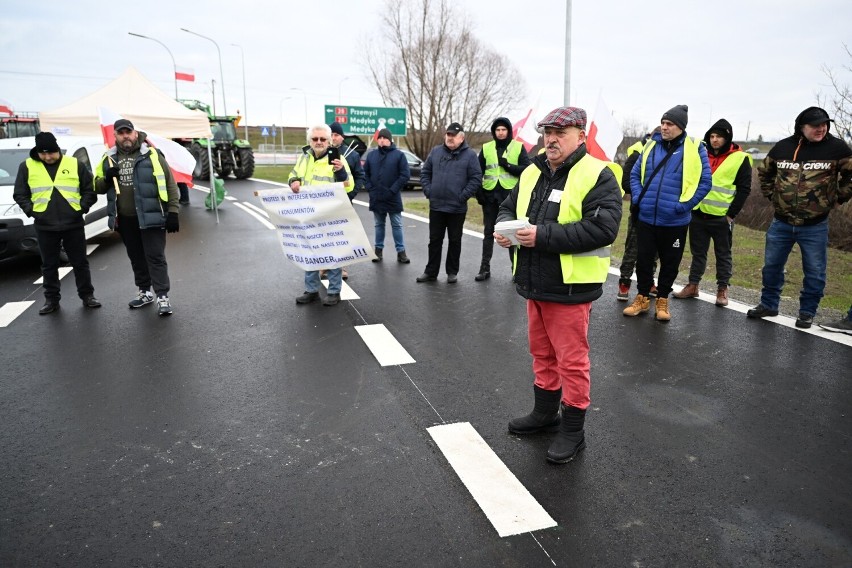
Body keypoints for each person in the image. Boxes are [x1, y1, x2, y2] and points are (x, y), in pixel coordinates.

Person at [495, 106, 622, 464]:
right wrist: (507, 231)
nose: (551, 138)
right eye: (547, 131)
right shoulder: (533, 170)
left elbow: (602, 229)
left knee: (572, 361)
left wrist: (540, 236)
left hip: (570, 288)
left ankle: (573, 429)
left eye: (560, 133)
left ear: (581, 136)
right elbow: (507, 207)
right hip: (533, 282)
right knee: (542, 353)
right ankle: (545, 413)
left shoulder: (599, 174)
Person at [748, 106, 852, 328]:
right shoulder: (783, 147)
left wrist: (837, 198)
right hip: (781, 222)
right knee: (771, 267)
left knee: (814, 271)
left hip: (815, 225)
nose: (821, 129)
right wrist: (772, 196)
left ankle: (807, 312)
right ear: (801, 127)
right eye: (816, 125)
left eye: (824, 124)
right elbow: (765, 172)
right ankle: (769, 304)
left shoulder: (836, 148)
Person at [623, 105, 712, 322]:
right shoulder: (651, 145)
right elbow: (635, 174)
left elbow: (705, 182)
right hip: (646, 217)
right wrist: (639, 199)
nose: (664, 127)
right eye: (662, 123)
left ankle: (662, 299)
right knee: (643, 261)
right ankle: (642, 298)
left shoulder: (695, 148)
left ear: (680, 127)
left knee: (670, 263)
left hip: (675, 220)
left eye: (669, 124)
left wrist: (684, 206)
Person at [94, 119, 180, 316]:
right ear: (115, 136)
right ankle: (144, 292)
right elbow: (96, 186)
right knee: (136, 258)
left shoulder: (151, 154)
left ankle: (162, 296)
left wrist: (173, 211)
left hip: (152, 216)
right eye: (121, 133)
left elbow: (170, 183)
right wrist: (107, 177)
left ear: (135, 133)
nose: (125, 136)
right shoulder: (108, 158)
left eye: (128, 132)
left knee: (155, 257)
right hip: (125, 219)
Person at [13, 132, 100, 314]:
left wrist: (81, 209)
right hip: (45, 225)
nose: (47, 157)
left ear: (57, 149)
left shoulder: (74, 163)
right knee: (49, 265)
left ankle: (87, 296)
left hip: (73, 223)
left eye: (51, 153)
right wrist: (33, 212)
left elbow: (89, 190)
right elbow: (20, 194)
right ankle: (51, 300)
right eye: (43, 154)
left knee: (80, 262)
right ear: (37, 152)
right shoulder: (27, 166)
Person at [673, 119, 752, 306]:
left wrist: (731, 215)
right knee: (697, 253)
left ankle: (722, 290)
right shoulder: (702, 153)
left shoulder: (740, 158)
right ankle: (693, 285)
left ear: (728, 138)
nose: (715, 140)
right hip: (698, 213)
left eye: (719, 137)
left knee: (723, 254)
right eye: (712, 136)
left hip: (722, 217)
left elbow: (744, 189)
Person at [288, 124, 353, 306]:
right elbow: (293, 174)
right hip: (308, 215)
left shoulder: (338, 159)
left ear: (329, 141)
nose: (318, 142)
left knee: (332, 254)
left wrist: (340, 171)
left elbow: (350, 185)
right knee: (310, 253)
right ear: (310, 141)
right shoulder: (305, 157)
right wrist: (293, 181)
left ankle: (334, 291)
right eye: (315, 139)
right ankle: (311, 291)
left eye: (322, 139)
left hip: (330, 216)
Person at [416, 122, 481, 284]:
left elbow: (476, 178)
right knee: (434, 240)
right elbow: (425, 173)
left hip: (457, 207)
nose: (450, 138)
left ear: (461, 138)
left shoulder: (470, 155)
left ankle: (452, 272)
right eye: (448, 135)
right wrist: (429, 191)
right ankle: (430, 272)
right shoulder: (436, 152)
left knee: (455, 240)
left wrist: (463, 196)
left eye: (453, 135)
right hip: (436, 205)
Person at [474, 117, 531, 281]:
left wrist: (509, 166)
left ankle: (516, 270)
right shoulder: (486, 148)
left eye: (503, 129)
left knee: (511, 233)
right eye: (497, 130)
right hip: (490, 196)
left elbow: (526, 170)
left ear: (508, 131)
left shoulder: (518, 147)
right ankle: (484, 269)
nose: (500, 132)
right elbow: (477, 172)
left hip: (510, 198)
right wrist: (479, 193)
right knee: (488, 233)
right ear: (494, 132)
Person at [617, 128, 660, 301]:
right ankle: (624, 282)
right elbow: (626, 182)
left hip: (660, 213)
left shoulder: (667, 156)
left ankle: (649, 282)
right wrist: (644, 196)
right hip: (639, 211)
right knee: (632, 249)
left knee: (654, 252)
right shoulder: (636, 154)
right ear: (649, 137)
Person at [363, 128, 411, 263]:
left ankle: (401, 252)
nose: (382, 140)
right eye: (380, 138)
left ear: (390, 140)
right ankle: (378, 251)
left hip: (393, 196)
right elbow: (364, 174)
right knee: (379, 224)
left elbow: (405, 175)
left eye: (385, 138)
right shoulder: (372, 155)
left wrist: (393, 190)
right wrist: (370, 188)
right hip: (376, 196)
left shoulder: (399, 155)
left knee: (397, 224)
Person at [328, 122, 364, 279]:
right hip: (325, 203)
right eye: (331, 134)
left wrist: (351, 195)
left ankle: (342, 267)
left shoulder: (352, 155)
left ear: (342, 137)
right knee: (325, 235)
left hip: (344, 201)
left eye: (336, 135)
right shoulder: (321, 153)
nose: (333, 137)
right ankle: (325, 266)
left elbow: (360, 176)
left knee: (342, 236)